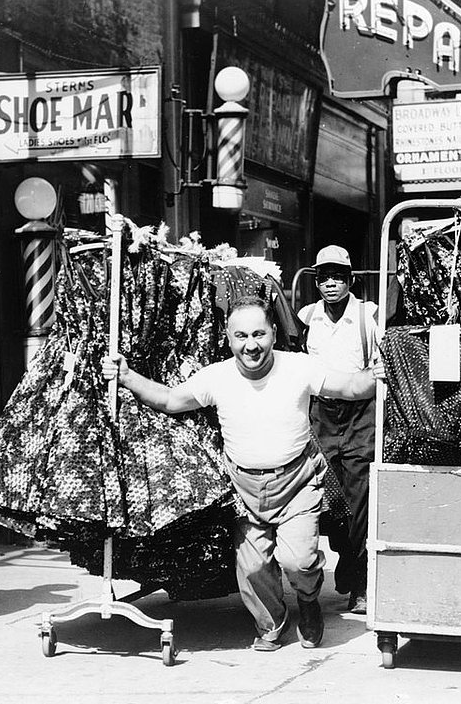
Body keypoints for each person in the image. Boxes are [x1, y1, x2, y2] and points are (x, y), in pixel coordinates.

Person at [102, 295, 380, 652]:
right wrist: (127, 377)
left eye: (259, 334)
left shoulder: (299, 367)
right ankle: (272, 624)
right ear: (229, 337)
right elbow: (171, 400)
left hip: (297, 481)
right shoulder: (216, 376)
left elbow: (350, 387)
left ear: (274, 333)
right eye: (242, 336)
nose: (251, 345)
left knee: (298, 561)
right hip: (244, 488)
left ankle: (308, 603)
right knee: (251, 571)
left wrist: (376, 374)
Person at [298, 245, 378, 615]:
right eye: (324, 277)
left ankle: (360, 583)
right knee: (330, 500)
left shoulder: (368, 316)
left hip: (360, 414)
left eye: (338, 276)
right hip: (322, 416)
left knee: (360, 497)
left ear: (350, 280)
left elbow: (382, 367)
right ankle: (347, 565)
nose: (331, 283)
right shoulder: (306, 317)